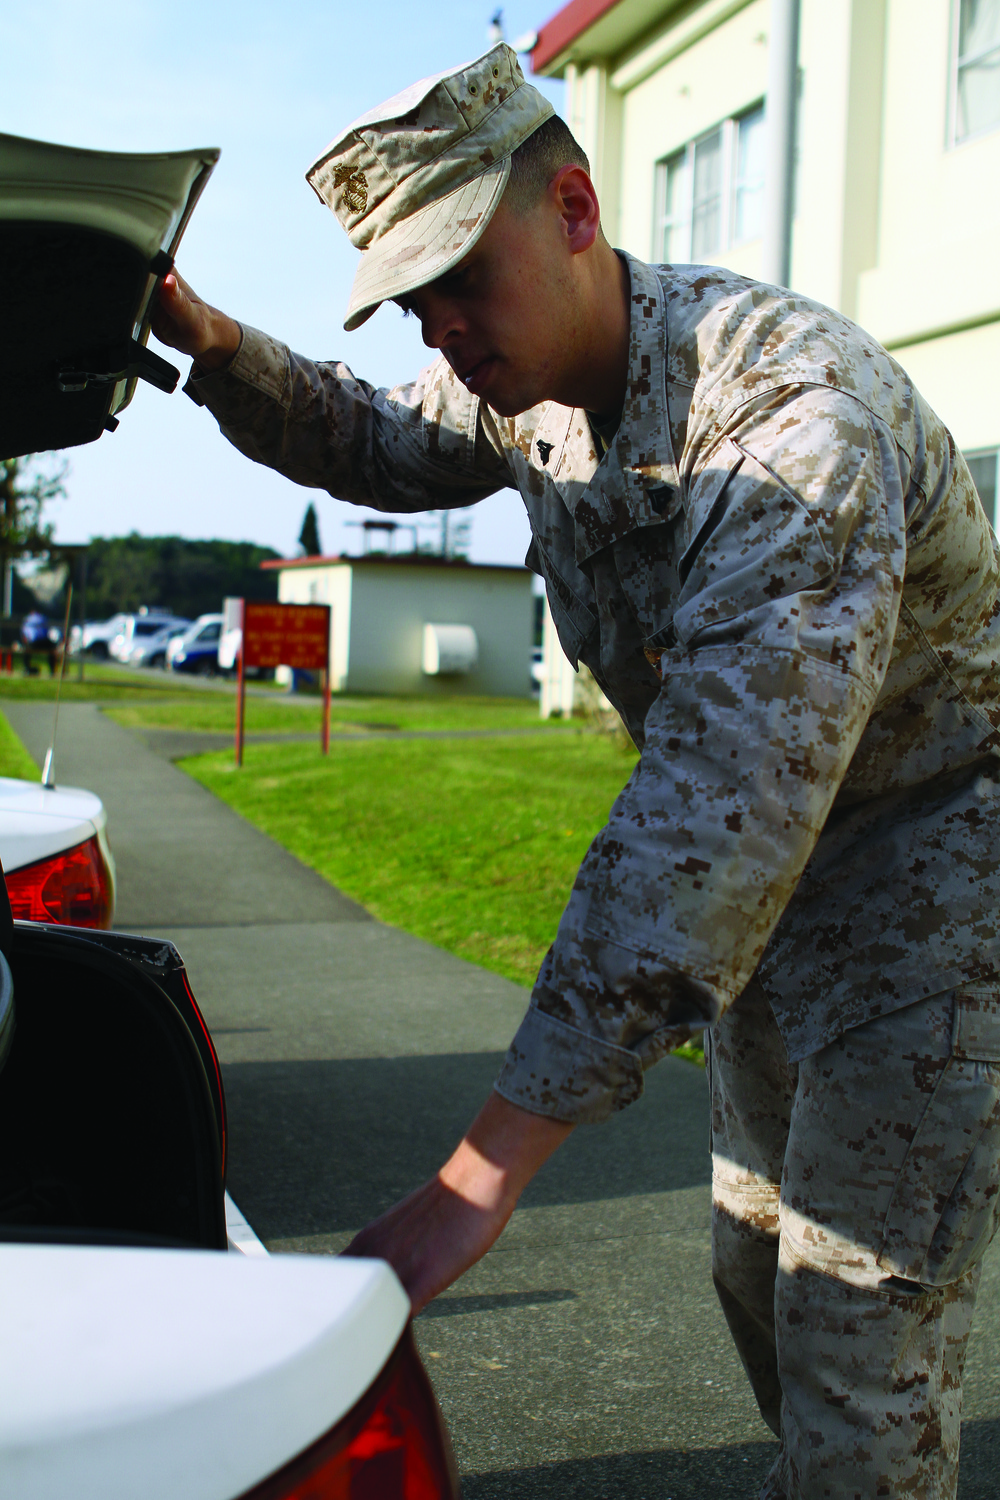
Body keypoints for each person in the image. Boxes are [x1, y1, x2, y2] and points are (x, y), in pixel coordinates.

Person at [151, 44, 1000, 1500]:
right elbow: (372, 435)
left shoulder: (794, 429)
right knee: (752, 1268)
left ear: (577, 207)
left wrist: (475, 1183)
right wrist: (214, 343)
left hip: (933, 885)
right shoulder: (526, 384)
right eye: (417, 299)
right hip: (781, 908)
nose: (444, 325)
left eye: (462, 278)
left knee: (857, 1323)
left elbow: (704, 822)